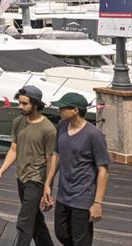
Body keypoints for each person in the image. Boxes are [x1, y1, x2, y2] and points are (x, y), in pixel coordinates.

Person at [41, 92, 110, 246]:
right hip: (63, 194)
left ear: (75, 110)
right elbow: (56, 155)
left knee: (81, 240)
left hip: (83, 197)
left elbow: (103, 171)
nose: (58, 110)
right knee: (61, 233)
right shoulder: (62, 125)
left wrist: (97, 203)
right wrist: (48, 184)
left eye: (62, 108)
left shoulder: (94, 135)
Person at [0, 86, 56, 246]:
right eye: (19, 102)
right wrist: (0, 172)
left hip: (36, 180)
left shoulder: (48, 129)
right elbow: (13, 150)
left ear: (35, 104)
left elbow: (51, 160)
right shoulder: (18, 122)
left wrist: (48, 186)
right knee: (35, 219)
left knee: (24, 220)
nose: (20, 106)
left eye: (24, 103)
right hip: (21, 177)